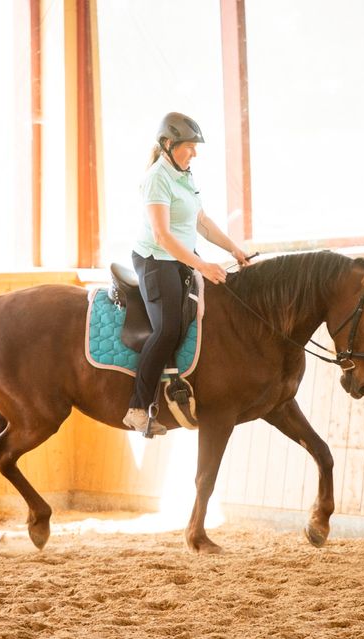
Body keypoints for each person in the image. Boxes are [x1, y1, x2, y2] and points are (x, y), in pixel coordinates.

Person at [124, 112, 250, 435]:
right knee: (167, 328)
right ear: (168, 144)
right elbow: (163, 236)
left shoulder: (185, 176)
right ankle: (137, 408)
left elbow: (202, 222)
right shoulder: (157, 178)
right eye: (189, 146)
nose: (194, 153)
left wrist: (234, 249)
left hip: (180, 256)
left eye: (195, 147)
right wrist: (202, 265)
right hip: (156, 259)